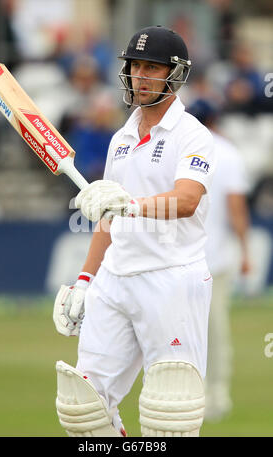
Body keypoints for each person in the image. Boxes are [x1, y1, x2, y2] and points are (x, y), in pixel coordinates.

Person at [53, 25, 216, 437]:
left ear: (174, 75)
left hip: (172, 278)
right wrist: (85, 280)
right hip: (114, 281)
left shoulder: (192, 134)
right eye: (135, 66)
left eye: (152, 68)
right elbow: (107, 217)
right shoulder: (121, 138)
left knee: (170, 414)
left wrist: (131, 205)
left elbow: (186, 200)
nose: (140, 76)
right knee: (82, 409)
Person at [188, 98, 251, 421]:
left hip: (194, 258)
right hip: (211, 258)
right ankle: (212, 393)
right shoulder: (226, 151)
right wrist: (245, 251)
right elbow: (236, 208)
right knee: (212, 329)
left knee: (195, 330)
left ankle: (209, 394)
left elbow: (235, 206)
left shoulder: (189, 146)